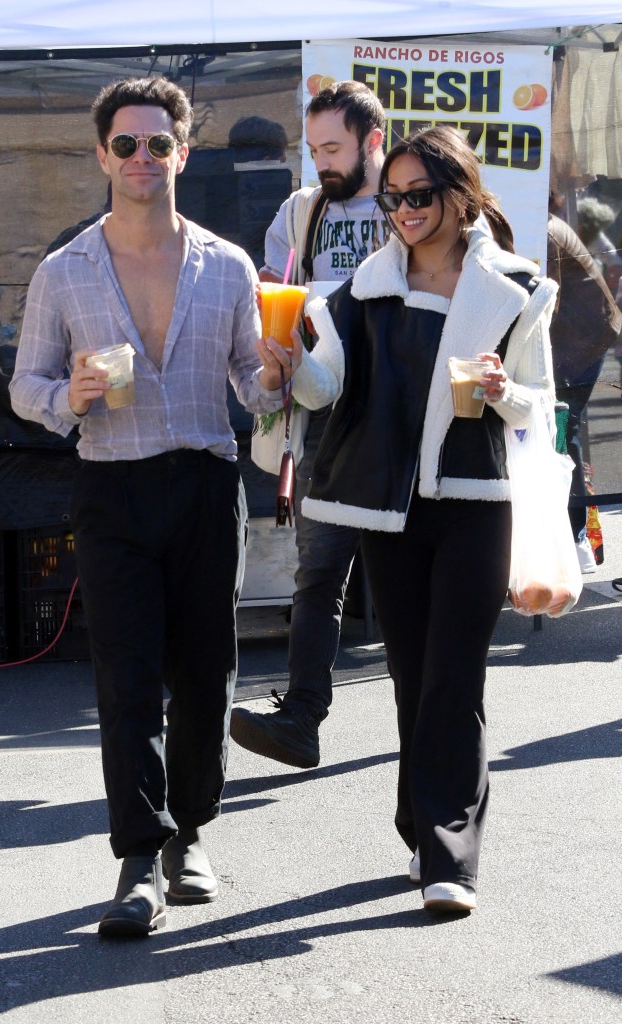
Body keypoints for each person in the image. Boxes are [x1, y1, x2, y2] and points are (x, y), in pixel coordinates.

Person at [9, 76, 289, 938]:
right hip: (113, 486)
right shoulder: (66, 270)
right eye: (125, 145)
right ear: (102, 156)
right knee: (125, 678)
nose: (142, 159)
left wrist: (275, 374)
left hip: (205, 482)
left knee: (205, 673)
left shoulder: (227, 263)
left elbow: (250, 380)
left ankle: (192, 833)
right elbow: (26, 385)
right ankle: (138, 857)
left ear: (183, 151)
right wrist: (72, 395)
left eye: (157, 144)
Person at [278, 124, 558, 913]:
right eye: (393, 197)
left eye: (419, 196)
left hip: (476, 502)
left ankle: (449, 859)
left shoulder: (519, 289)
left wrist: (504, 390)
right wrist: (291, 365)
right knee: (409, 675)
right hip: (386, 509)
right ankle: (420, 827)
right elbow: (324, 388)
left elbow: (540, 403)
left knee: (453, 677)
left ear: (458, 194)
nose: (402, 209)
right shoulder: (361, 291)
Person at [229, 80, 390, 770]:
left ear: (373, 141)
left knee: (412, 580)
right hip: (324, 416)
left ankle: (434, 721)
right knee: (317, 574)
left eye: (334, 147)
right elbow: (271, 289)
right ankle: (300, 718)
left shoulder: (406, 200)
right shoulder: (301, 210)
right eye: (313, 146)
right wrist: (273, 334)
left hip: (401, 419)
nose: (321, 160)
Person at [546, 205, 622, 569]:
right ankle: (579, 540)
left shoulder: (542, 230)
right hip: (579, 340)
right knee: (562, 431)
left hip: (583, 343)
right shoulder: (541, 224)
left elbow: (548, 302)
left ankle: (578, 539)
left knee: (563, 431)